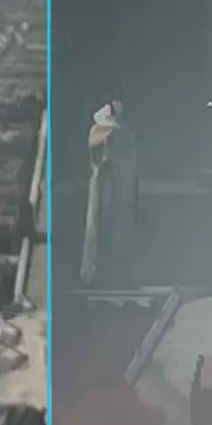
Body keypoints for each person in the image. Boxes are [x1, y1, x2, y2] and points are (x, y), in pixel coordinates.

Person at [80, 99, 138, 286]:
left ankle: (119, 273)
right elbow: (94, 153)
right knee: (95, 228)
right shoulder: (97, 132)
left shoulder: (124, 134)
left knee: (119, 228)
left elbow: (127, 162)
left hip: (120, 187)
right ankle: (92, 273)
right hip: (100, 185)